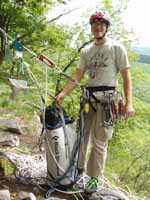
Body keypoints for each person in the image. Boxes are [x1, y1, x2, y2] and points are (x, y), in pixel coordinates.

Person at [56, 10, 134, 192]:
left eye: (101, 24)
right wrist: (63, 93)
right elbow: (78, 75)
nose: (98, 27)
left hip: (108, 100)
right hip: (89, 98)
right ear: (91, 27)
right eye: (95, 24)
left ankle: (94, 178)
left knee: (100, 141)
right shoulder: (87, 51)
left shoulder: (116, 48)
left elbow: (126, 78)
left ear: (106, 27)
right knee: (82, 137)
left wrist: (129, 103)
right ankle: (78, 169)